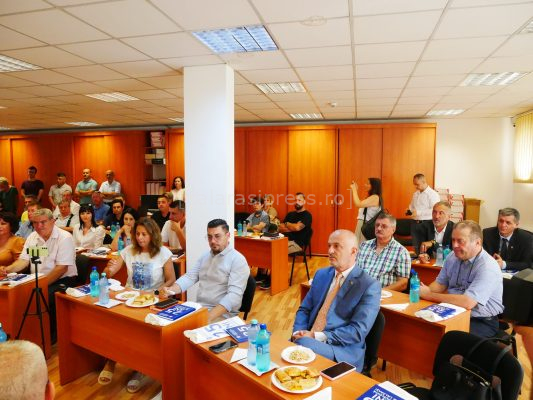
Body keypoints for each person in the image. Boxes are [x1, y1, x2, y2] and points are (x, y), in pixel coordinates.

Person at [100, 217, 175, 392]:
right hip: (129, 298)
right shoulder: (128, 251)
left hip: (151, 300)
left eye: (144, 234)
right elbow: (110, 272)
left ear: (152, 235)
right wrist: (108, 270)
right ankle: (111, 360)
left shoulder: (163, 253)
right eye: (138, 234)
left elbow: (171, 279)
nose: (140, 238)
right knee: (114, 325)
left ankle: (140, 370)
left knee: (141, 334)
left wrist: (159, 292)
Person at [292, 230, 381, 371]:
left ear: (353, 251)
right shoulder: (322, 274)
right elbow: (304, 309)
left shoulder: (369, 285)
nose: (330, 251)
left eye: (337, 246)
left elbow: (357, 331)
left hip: (341, 350)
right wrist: (298, 332)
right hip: (307, 339)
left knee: (300, 348)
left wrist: (314, 336)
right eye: (329, 246)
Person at [420, 221, 504, 338]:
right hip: (453, 311)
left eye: (460, 241)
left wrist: (429, 295)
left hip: (480, 320)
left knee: (447, 337)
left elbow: (468, 302)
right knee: (422, 325)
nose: (454, 245)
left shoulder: (488, 266)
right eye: (453, 240)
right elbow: (440, 284)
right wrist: (423, 292)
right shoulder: (452, 256)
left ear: (478, 242)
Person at [5, 208, 77, 343]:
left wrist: (40, 284)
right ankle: (26, 331)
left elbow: (61, 268)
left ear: (53, 221)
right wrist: (7, 270)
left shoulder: (64, 237)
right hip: (37, 279)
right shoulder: (32, 237)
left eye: (43, 222)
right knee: (17, 293)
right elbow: (24, 261)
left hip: (63, 279)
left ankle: (51, 334)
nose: (39, 226)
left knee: (42, 296)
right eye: (35, 223)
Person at [161, 218, 249, 322]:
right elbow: (190, 277)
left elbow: (234, 297)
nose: (212, 241)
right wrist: (171, 290)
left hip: (222, 315)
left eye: (217, 236)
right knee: (164, 320)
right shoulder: (206, 256)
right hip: (200, 308)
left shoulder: (238, 260)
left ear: (228, 235)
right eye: (209, 237)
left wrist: (207, 317)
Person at [356, 212, 411, 291]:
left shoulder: (401, 252)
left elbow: (403, 284)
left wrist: (381, 292)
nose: (379, 228)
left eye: (384, 226)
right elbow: (354, 271)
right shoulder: (364, 245)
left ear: (393, 230)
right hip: (359, 291)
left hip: (383, 294)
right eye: (377, 225)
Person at [407, 173, 440, 254]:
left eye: (417, 184)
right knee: (417, 248)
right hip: (415, 223)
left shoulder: (433, 194)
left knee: (427, 249)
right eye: (414, 184)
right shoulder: (416, 194)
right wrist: (409, 210)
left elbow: (435, 210)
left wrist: (418, 212)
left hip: (427, 224)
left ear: (424, 182)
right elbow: (412, 206)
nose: (416, 187)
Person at [349, 178, 382, 243]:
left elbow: (358, 204)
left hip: (365, 225)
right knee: (359, 245)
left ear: (374, 186)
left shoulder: (375, 197)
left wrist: (354, 190)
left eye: (368, 184)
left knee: (361, 245)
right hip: (363, 224)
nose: (365, 185)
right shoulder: (371, 197)